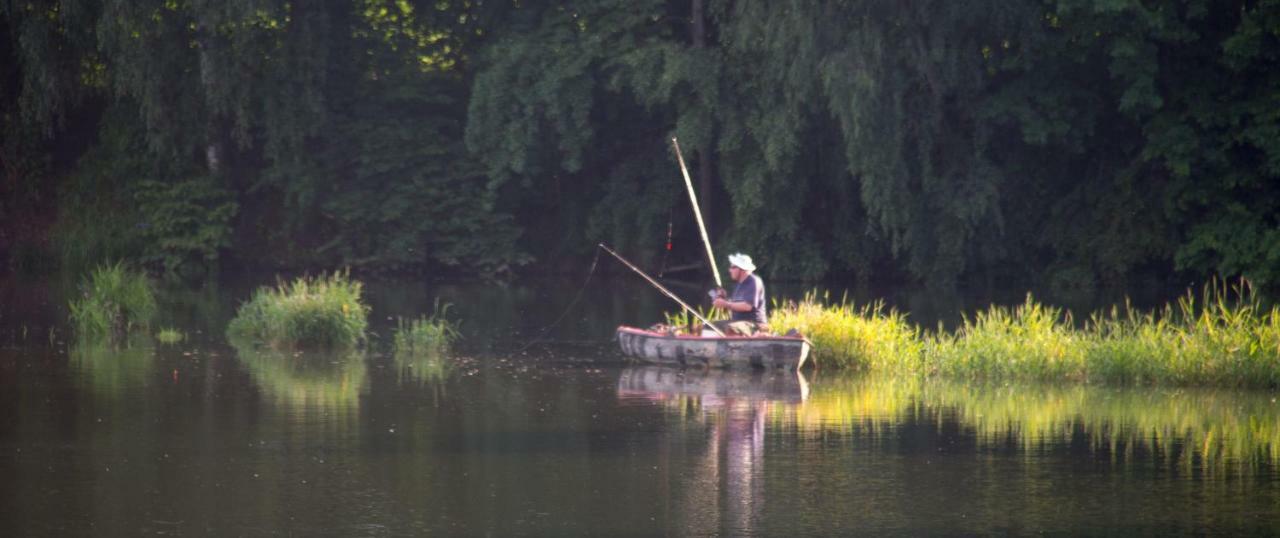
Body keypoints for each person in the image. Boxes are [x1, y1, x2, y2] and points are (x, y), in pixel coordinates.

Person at [710, 253, 767, 336]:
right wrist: (723, 299)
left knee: (731, 328)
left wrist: (725, 304)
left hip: (754, 324)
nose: (730, 270)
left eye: (733, 267)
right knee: (710, 326)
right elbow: (735, 304)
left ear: (742, 269)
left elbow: (747, 307)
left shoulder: (754, 282)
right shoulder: (739, 285)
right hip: (737, 322)